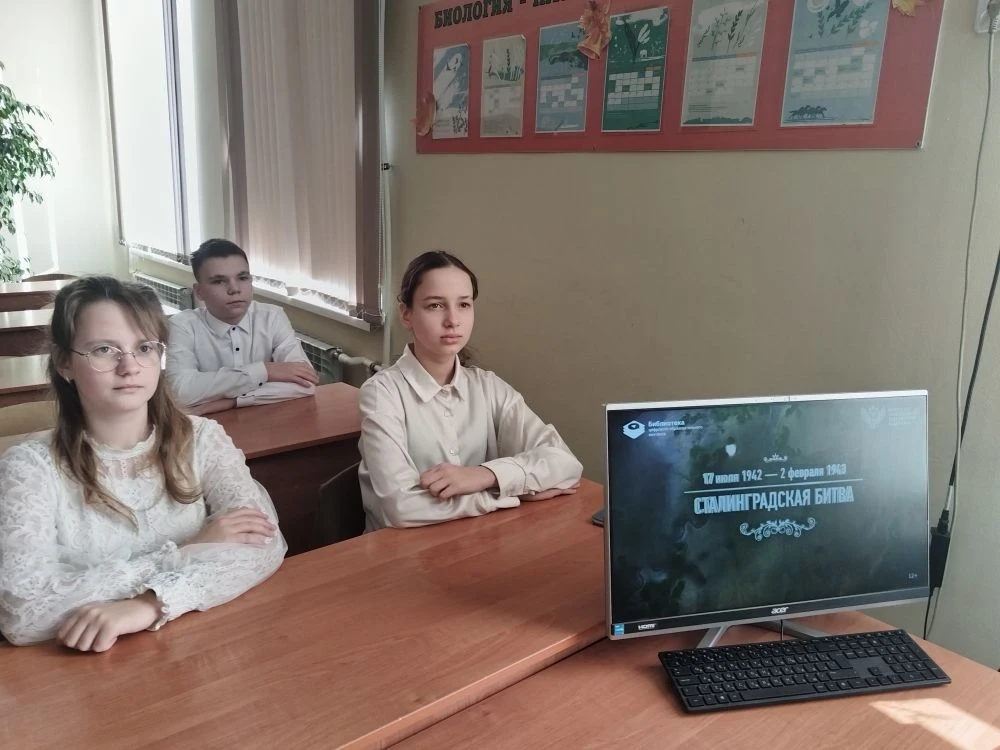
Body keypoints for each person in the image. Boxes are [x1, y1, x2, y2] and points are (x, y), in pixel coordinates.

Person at [0, 276, 286, 650]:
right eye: (104, 350)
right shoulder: (29, 469)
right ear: (65, 363)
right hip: (86, 668)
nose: (129, 366)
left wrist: (151, 604)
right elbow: (23, 613)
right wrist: (187, 551)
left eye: (145, 348)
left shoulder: (202, 439)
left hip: (196, 648)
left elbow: (264, 546)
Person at [359, 250, 583, 530]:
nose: (453, 320)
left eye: (464, 304)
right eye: (435, 305)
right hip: (400, 550)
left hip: (478, 540)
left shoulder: (488, 387)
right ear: (406, 314)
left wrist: (484, 475)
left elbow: (565, 463)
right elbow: (400, 508)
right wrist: (509, 493)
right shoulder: (381, 394)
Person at [165, 239, 318, 415]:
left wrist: (233, 401)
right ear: (199, 291)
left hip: (265, 421)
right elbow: (180, 393)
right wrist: (265, 371)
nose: (234, 289)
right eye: (219, 281)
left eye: (242, 278)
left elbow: (306, 383)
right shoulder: (182, 325)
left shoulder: (272, 316)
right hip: (208, 426)